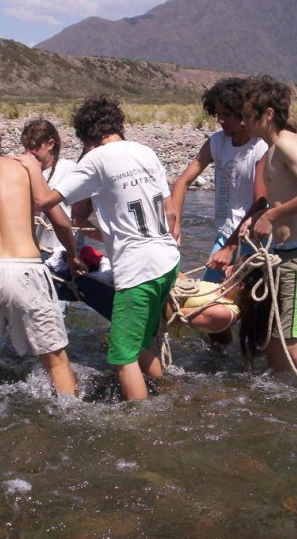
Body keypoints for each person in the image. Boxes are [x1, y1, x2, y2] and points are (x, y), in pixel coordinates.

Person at [16, 95, 180, 401]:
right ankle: (172, 396)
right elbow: (170, 210)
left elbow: (43, 201)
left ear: (85, 136)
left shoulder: (96, 159)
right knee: (142, 345)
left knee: (122, 359)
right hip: (168, 261)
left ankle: (145, 426)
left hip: (139, 272)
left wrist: (30, 166)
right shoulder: (146, 152)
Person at [0, 119, 86, 396]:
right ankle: (72, 415)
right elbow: (59, 220)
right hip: (24, 269)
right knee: (56, 361)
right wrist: (72, 255)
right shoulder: (23, 167)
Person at [216, 75, 297, 387]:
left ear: (268, 114)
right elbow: (283, 196)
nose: (244, 122)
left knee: (294, 340)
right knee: (276, 339)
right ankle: (279, 394)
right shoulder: (272, 148)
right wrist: (260, 218)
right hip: (286, 257)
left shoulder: (286, 145)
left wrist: (274, 215)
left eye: (249, 116)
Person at [169, 77, 269, 347]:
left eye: (227, 115)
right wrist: (173, 228)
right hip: (224, 236)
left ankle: (247, 368)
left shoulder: (260, 147)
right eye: (218, 114)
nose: (221, 121)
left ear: (244, 113)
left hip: (252, 241)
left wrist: (232, 246)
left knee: (251, 313)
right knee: (209, 304)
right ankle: (218, 358)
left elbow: (261, 202)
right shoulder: (216, 142)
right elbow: (182, 181)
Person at [20, 118, 115, 320]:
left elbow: (78, 218)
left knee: (53, 316)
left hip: (66, 259)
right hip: (34, 257)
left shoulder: (71, 171)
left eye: (33, 147)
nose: (28, 153)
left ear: (50, 144)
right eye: (25, 148)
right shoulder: (24, 173)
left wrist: (109, 240)